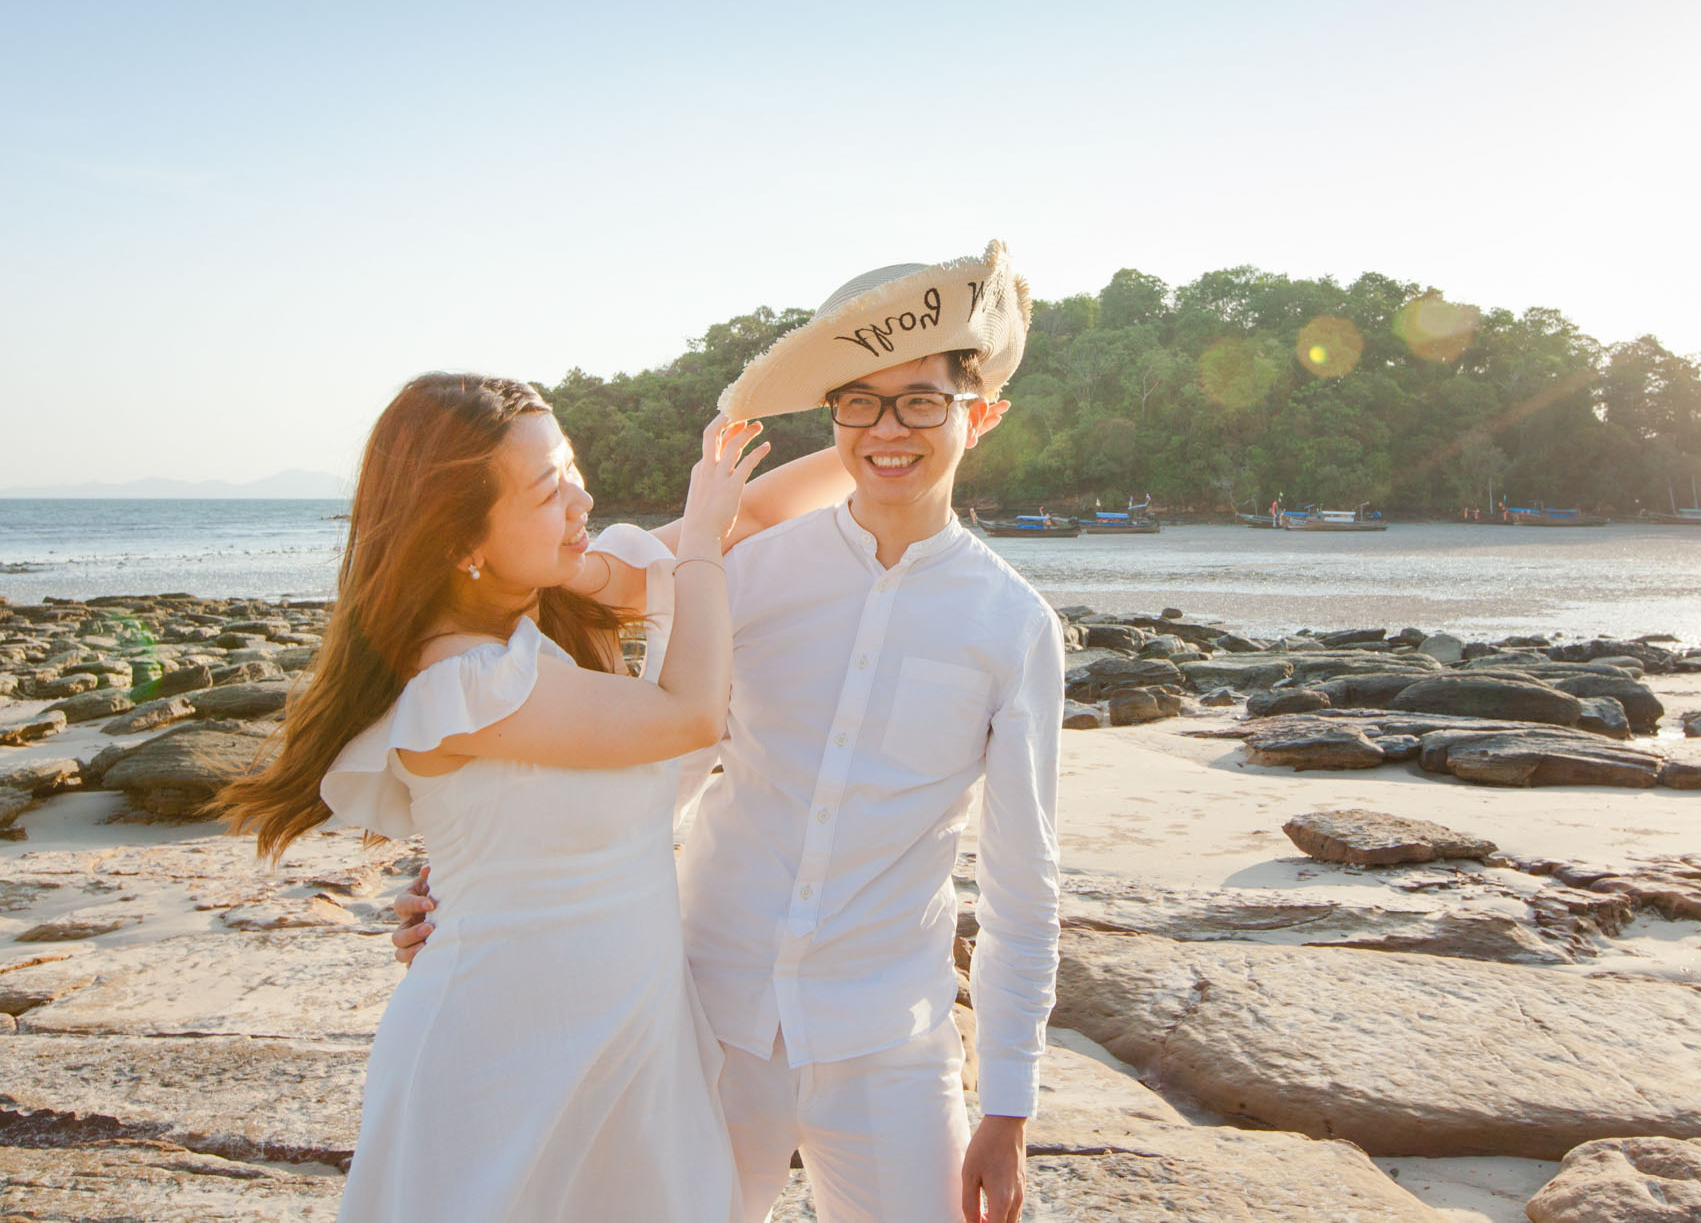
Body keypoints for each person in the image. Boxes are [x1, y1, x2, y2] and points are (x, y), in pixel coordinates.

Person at [395, 241, 1064, 1223]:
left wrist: (1007, 1104)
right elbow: (650, 767)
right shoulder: (743, 576)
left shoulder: (1011, 625)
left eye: (921, 402)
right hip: (706, 1011)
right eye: (860, 402)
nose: (887, 430)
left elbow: (1022, 884)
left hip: (889, 1036)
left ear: (981, 415)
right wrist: (480, 887)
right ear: (832, 414)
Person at [215, 374, 775, 1223]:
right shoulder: (463, 680)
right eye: (550, 490)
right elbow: (693, 712)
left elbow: (767, 509)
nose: (583, 499)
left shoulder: (539, 624)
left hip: (624, 1042)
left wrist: (901, 411)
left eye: (573, 468)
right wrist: (699, 536)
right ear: (459, 539)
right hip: (507, 1061)